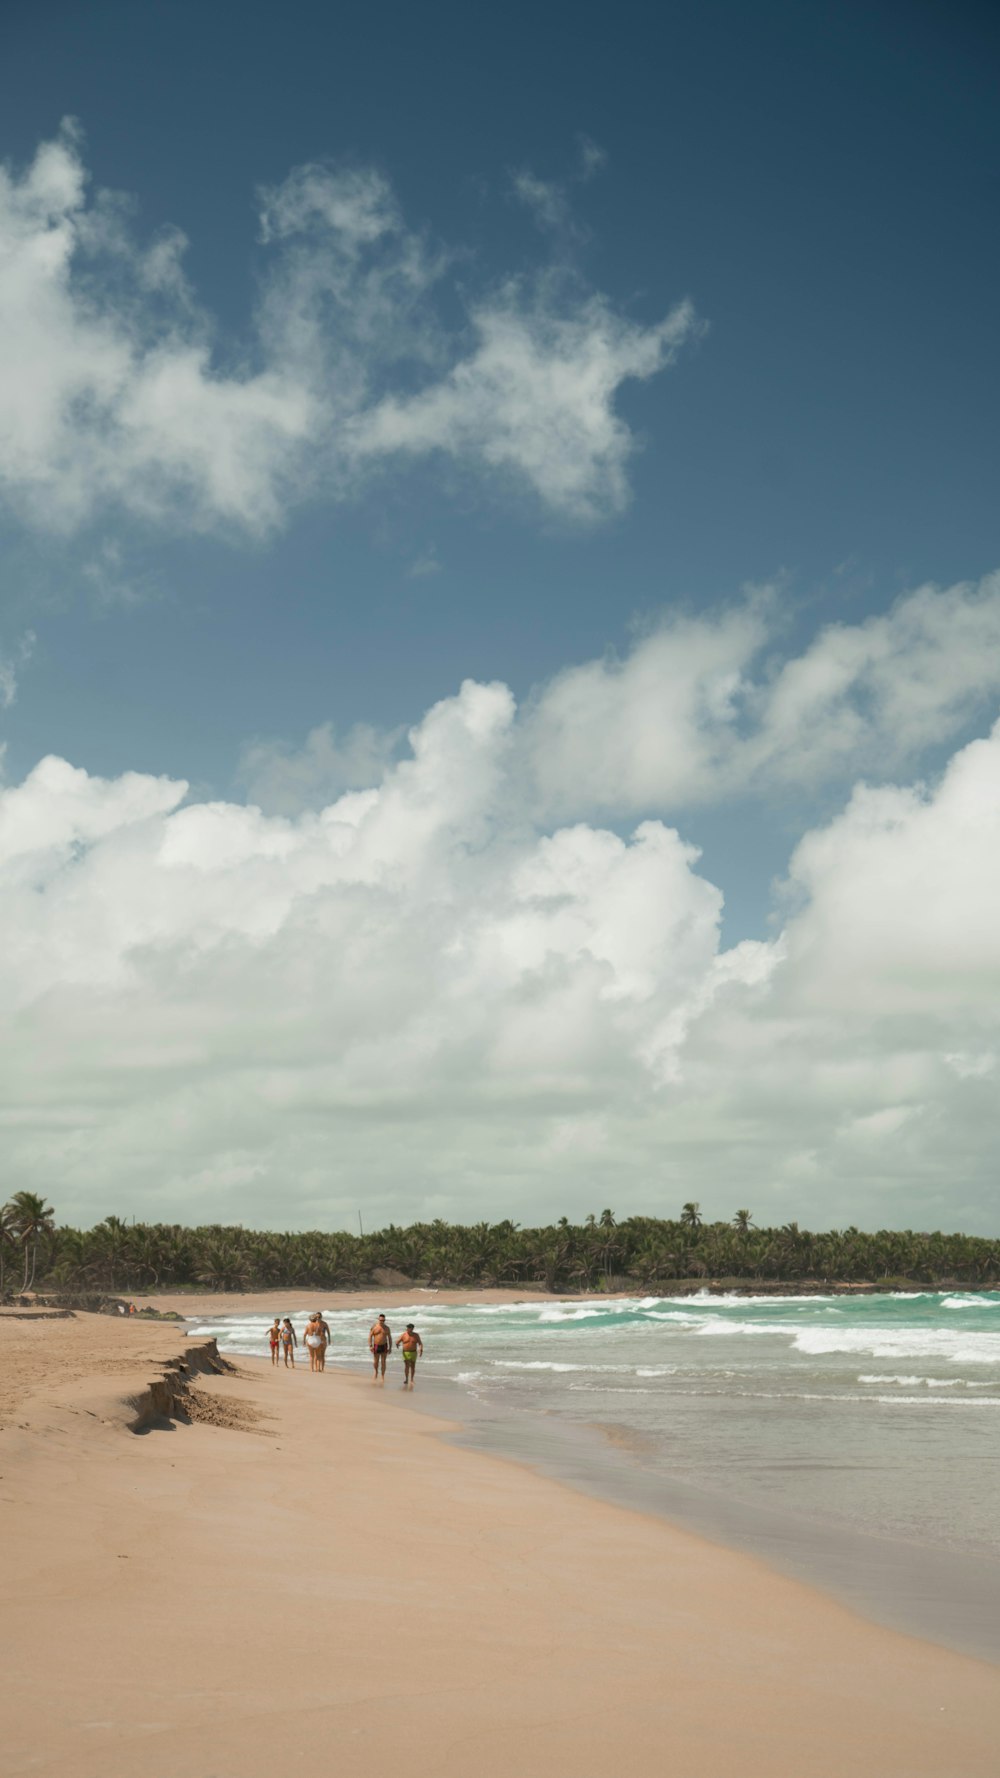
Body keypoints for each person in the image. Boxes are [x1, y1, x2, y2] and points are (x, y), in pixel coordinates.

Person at [395, 1323, 423, 1389]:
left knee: (413, 1366)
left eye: (409, 1328)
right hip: (406, 1352)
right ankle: (407, 1379)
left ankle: (412, 1379)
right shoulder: (403, 1335)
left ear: (412, 1328)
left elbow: (420, 1343)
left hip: (413, 1352)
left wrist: (421, 1349)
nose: (407, 1329)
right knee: (407, 1366)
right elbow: (397, 1341)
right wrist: (397, 1344)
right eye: (407, 1328)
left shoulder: (416, 1335)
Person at [368, 1312, 392, 1384]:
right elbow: (370, 1336)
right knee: (376, 1362)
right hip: (376, 1345)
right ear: (378, 1319)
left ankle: (382, 1376)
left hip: (384, 1345)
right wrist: (370, 1346)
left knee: (383, 1362)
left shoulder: (387, 1328)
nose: (382, 1322)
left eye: (383, 1320)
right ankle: (376, 1372)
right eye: (381, 1320)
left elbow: (389, 1338)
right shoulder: (374, 1327)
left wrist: (390, 1347)